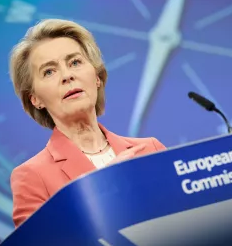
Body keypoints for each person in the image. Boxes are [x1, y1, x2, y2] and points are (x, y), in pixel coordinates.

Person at [9, 19, 166, 228]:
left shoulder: (150, 150)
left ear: (97, 77)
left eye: (75, 62)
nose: (67, 76)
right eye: (49, 71)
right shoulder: (31, 176)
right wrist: (103, 188)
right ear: (34, 99)